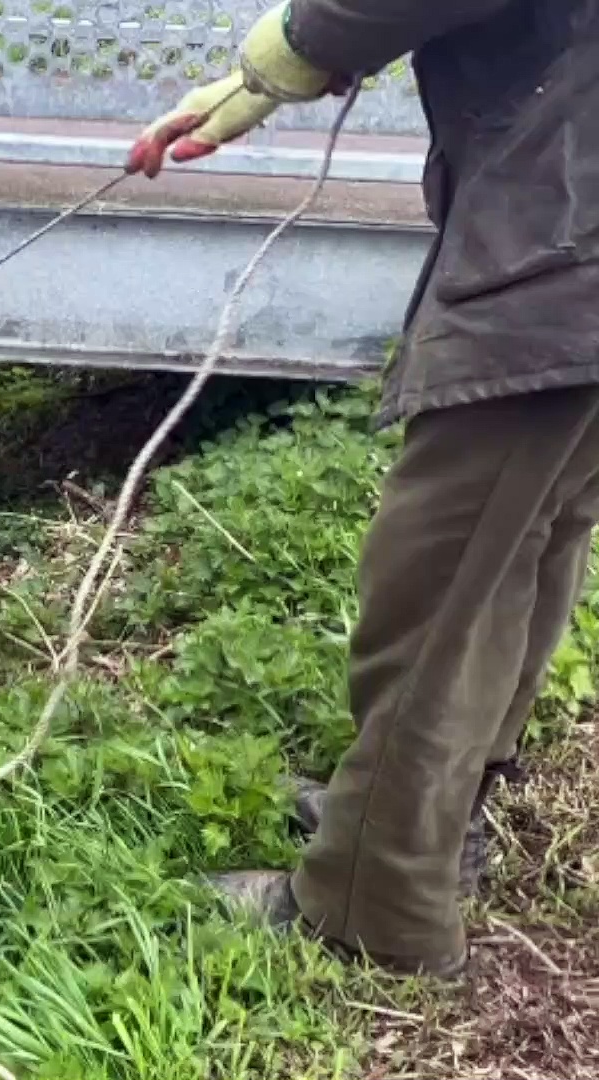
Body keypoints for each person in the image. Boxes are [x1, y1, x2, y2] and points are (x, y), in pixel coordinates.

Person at [130, 0, 597, 978]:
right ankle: (427, 805)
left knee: (442, 573)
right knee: (523, 533)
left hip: (571, 237)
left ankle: (372, 906)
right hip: (574, 203)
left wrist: (292, 48)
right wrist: (263, 83)